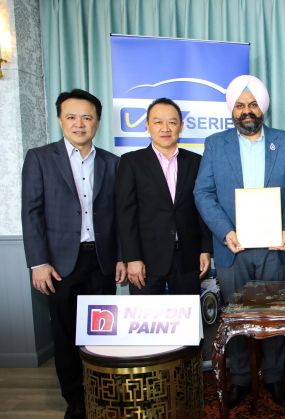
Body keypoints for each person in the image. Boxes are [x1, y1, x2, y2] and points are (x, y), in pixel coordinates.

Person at [194, 75, 285, 408]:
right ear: (232, 110)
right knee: (236, 317)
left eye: (253, 104)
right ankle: (240, 378)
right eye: (241, 105)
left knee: (275, 315)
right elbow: (203, 193)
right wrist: (224, 231)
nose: (247, 111)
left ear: (263, 108)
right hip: (234, 247)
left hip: (275, 247)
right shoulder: (216, 144)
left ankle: (274, 377)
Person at [21, 89, 126, 419]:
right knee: (66, 334)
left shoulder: (112, 162)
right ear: (60, 120)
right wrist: (38, 263)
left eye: (87, 117)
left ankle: (103, 392)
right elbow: (32, 213)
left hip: (102, 261)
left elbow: (120, 216)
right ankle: (75, 400)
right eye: (71, 117)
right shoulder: (40, 158)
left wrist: (121, 257)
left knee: (103, 333)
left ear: (97, 122)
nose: (79, 123)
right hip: (59, 264)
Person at [116, 98, 211, 295]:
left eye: (172, 122)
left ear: (181, 126)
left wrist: (206, 249)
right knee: (145, 315)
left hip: (188, 257)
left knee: (187, 313)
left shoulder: (196, 162)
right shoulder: (131, 162)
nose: (165, 128)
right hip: (146, 260)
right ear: (147, 125)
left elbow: (203, 208)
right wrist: (132, 258)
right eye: (158, 122)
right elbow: (125, 214)